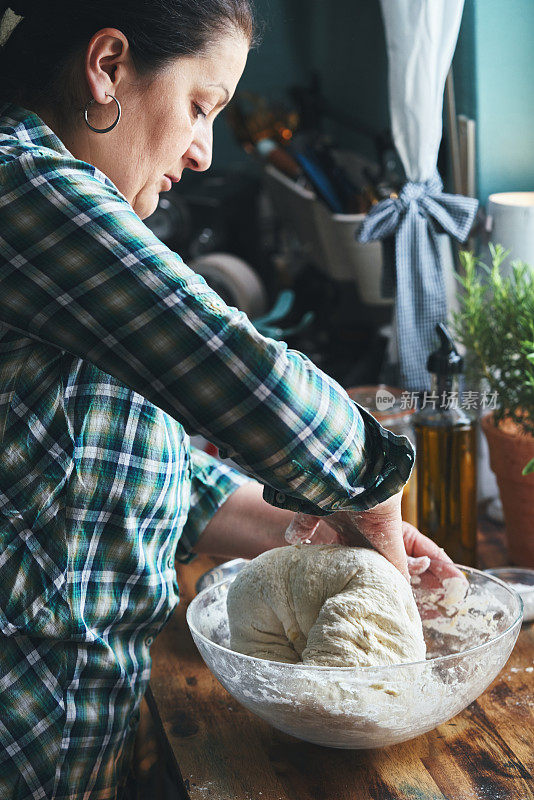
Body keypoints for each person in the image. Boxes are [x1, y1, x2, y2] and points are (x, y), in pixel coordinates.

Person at [0, 1, 457, 797]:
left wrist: (306, 531)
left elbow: (140, 469)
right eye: (201, 107)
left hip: (82, 741)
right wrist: (374, 494)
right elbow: (235, 365)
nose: (205, 151)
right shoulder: (18, 184)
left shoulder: (72, 213)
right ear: (108, 67)